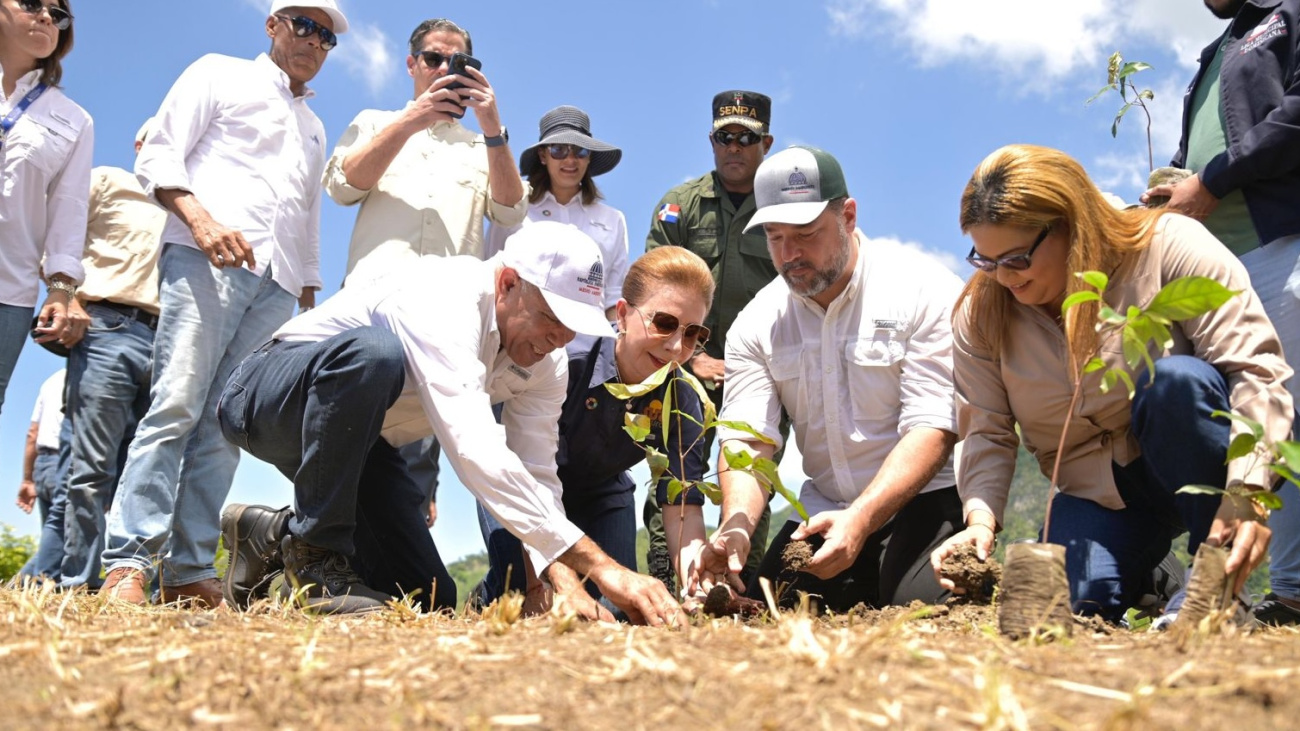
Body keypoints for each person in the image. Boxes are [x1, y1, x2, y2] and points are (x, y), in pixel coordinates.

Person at [218, 223, 684, 625]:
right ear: (507, 284)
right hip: (266, 399)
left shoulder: (548, 362)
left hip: (361, 447)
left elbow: (538, 473)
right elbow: (474, 448)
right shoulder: (445, 296)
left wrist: (561, 580)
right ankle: (315, 556)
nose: (559, 339)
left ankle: (275, 535)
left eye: (573, 325)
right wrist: (603, 567)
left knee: (428, 597)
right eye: (551, 318)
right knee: (373, 355)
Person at [934, 144, 1292, 624]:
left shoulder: (1167, 245)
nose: (1002, 278)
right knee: (1046, 615)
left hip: (1189, 453)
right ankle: (1149, 573)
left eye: (1017, 259)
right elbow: (987, 428)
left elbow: (1255, 370)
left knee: (1175, 382)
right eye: (986, 258)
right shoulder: (982, 312)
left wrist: (1246, 492)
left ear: (1069, 224)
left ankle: (1221, 590)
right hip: (1096, 491)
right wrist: (980, 520)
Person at [99, 0, 347, 607]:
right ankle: (128, 561)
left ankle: (185, 572)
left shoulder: (315, 126)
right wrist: (202, 221)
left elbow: (306, 220)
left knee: (225, 426)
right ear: (273, 25)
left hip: (278, 284)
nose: (315, 41)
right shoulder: (217, 72)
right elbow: (158, 152)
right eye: (305, 25)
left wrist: (309, 300)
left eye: (327, 37)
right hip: (208, 257)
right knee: (176, 404)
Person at [694, 146, 964, 613]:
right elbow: (747, 444)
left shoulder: (923, 290)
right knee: (766, 610)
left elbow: (933, 426)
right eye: (775, 237)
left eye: (806, 234)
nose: (790, 255)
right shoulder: (758, 322)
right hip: (823, 508)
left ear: (849, 216)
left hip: (925, 499)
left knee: (919, 612)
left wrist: (861, 519)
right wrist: (735, 527)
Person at [324, 17, 526, 524]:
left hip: (443, 318)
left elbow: (511, 211)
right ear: (411, 64)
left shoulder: (483, 147)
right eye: (433, 58)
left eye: (458, 62)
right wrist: (412, 120)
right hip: (367, 309)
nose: (443, 70)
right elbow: (344, 186)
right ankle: (319, 560)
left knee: (415, 449)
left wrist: (494, 128)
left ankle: (397, 582)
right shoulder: (375, 120)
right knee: (343, 438)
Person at [1141, 0, 1300, 627]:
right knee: (1233, 417)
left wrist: (1210, 181)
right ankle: (1230, 580)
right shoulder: (1217, 50)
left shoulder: (1286, 13)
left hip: (1277, 243)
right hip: (1215, 262)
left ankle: (1289, 591)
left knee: (1285, 416)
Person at [476, 246, 712, 611]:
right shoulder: (563, 362)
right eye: (664, 323)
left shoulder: (683, 400)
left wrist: (699, 584)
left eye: (693, 333)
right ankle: (485, 598)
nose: (676, 346)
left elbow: (683, 504)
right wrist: (547, 580)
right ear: (621, 314)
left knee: (619, 608)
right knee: (524, 594)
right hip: (522, 484)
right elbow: (520, 469)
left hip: (602, 494)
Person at [643, 90, 781, 591]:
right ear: (712, 140)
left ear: (765, 142)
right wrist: (694, 357)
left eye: (746, 137)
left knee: (751, 475)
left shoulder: (785, 211)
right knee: (677, 473)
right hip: (684, 370)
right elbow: (655, 291)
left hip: (763, 372)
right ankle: (670, 581)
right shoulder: (678, 207)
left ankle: (738, 582)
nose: (735, 147)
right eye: (725, 137)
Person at [58, 121, 168, 591]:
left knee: (150, 467)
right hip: (107, 326)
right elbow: (61, 236)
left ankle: (131, 578)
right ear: (139, 144)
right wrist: (68, 298)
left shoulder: (185, 206)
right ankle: (75, 582)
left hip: (169, 339)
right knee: (93, 466)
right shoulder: (107, 179)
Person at [0, 0, 90, 416]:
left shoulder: (73, 120)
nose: (46, 17)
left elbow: (68, 211)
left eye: (59, 15)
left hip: (7, 294)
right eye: (33, 3)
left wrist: (61, 289)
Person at [485, 105, 627, 318]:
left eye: (580, 150)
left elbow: (615, 295)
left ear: (589, 157)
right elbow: (491, 276)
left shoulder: (613, 220)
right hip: (523, 340)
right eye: (559, 150)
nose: (570, 160)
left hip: (591, 343)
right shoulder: (513, 211)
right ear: (543, 155)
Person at [15, 368, 67, 580]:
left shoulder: (50, 380)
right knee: (62, 533)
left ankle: (18, 588)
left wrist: (28, 479)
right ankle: (36, 585)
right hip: (66, 461)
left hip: (42, 464)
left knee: (53, 536)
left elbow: (32, 434)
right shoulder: (88, 373)